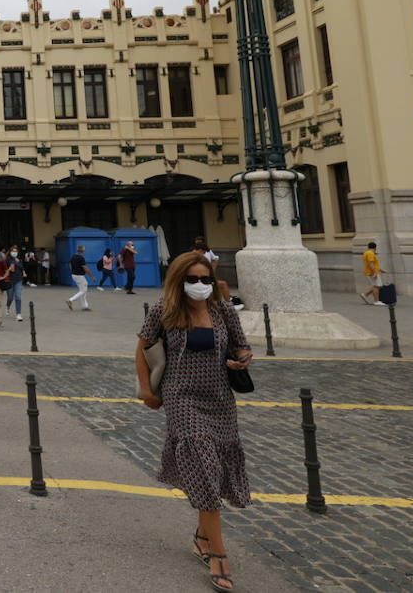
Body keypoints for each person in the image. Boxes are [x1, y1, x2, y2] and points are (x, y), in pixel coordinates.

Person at [136, 252, 252, 593]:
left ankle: (202, 537)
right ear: (178, 280)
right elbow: (141, 350)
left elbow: (242, 347)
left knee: (214, 471)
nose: (200, 285)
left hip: (219, 399)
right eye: (192, 280)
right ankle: (218, 554)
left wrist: (242, 360)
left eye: (205, 279)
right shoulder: (164, 310)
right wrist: (146, 391)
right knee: (203, 464)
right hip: (181, 396)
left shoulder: (223, 310)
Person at [66, 244, 92, 311]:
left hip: (74, 275)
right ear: (82, 250)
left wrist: (73, 271)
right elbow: (85, 268)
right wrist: (92, 276)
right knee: (83, 290)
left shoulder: (73, 256)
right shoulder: (81, 258)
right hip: (79, 276)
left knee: (82, 290)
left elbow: (70, 265)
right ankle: (70, 300)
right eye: (84, 250)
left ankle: (84, 306)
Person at [5, 244, 26, 323]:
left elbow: (22, 268)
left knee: (18, 296)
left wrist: (23, 271)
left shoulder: (19, 260)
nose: (14, 252)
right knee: (10, 297)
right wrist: (9, 269)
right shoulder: (7, 260)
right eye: (13, 251)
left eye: (15, 251)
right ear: (10, 252)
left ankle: (18, 314)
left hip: (18, 280)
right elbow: (4, 270)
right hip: (9, 280)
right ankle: (7, 307)